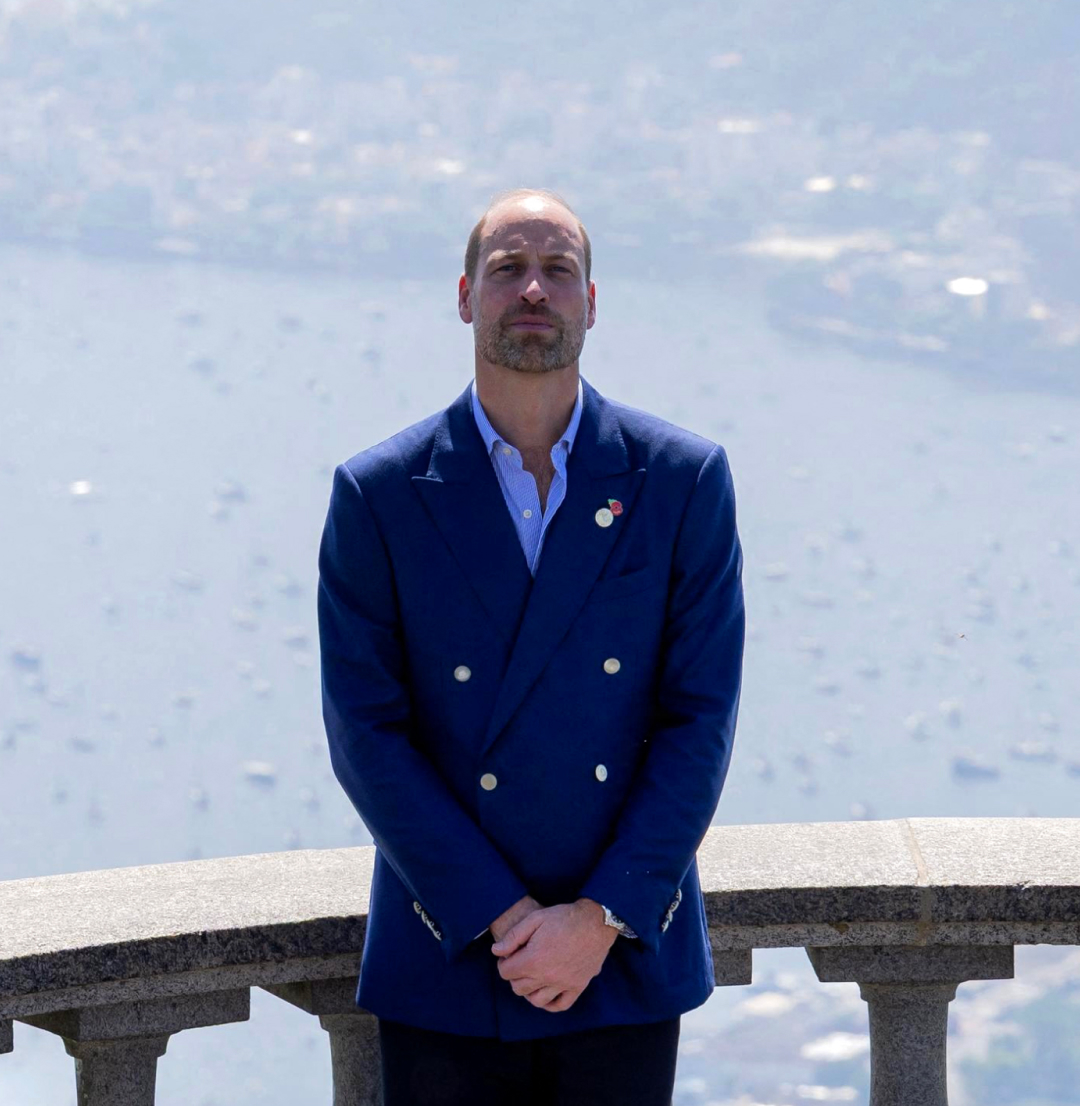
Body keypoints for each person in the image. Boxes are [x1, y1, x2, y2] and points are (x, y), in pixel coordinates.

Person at [317, 187, 745, 1105]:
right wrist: (502, 919)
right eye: (509, 269)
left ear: (594, 300)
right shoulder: (381, 494)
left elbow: (699, 718)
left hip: (621, 952)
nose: (535, 291)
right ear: (466, 295)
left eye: (559, 270)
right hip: (451, 946)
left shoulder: (681, 480)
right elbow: (366, 733)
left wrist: (598, 919)